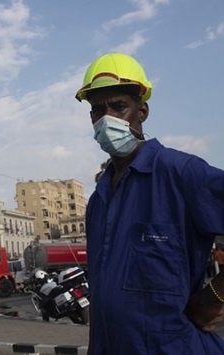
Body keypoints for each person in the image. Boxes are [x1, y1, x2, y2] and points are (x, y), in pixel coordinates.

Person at [76, 52, 224, 354]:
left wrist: (215, 295)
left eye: (119, 107)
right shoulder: (98, 200)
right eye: (97, 111)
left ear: (141, 111)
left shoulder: (180, 173)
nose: (107, 119)